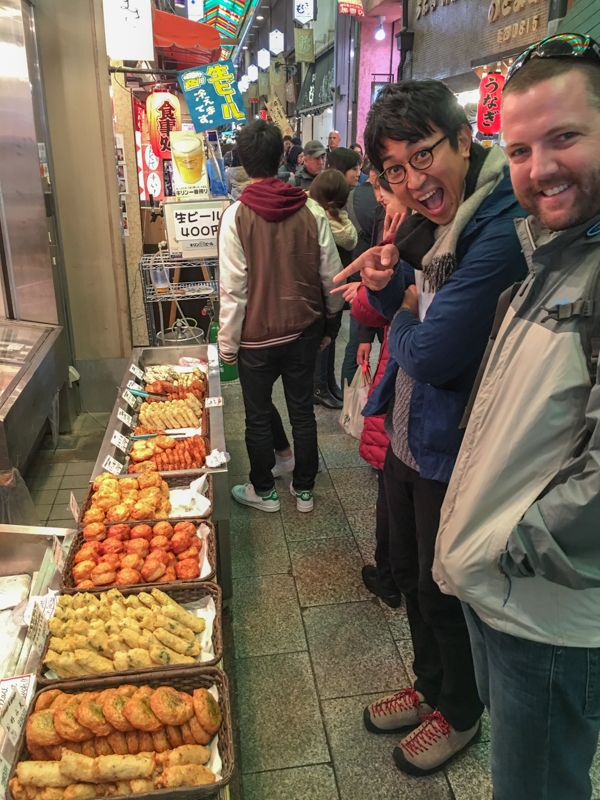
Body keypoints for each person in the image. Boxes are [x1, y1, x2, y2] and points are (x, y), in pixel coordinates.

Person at [331, 78, 527, 775]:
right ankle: (431, 687)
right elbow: (408, 321)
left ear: (464, 140)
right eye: (394, 169)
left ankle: (462, 713)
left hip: (459, 449)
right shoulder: (439, 226)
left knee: (445, 589)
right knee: (412, 577)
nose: (414, 179)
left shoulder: (496, 229)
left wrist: (402, 304)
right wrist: (398, 293)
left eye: (423, 155)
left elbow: (438, 357)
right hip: (415, 437)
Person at [432, 35, 600, 800]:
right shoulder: (549, 258)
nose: (541, 169)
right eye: (523, 150)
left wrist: (511, 545)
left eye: (565, 137)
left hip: (549, 614)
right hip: (499, 590)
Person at [218, 120, 344, 513]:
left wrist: (227, 346)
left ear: (243, 159)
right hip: (304, 330)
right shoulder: (310, 208)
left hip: (255, 338)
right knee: (302, 410)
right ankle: (304, 490)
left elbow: (234, 290)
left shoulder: (235, 217)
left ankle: (264, 491)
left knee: (257, 416)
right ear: (282, 157)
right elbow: (331, 275)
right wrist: (331, 322)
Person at [309, 170, 358, 409]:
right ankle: (320, 386)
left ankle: (326, 383)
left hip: (323, 288)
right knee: (325, 338)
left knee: (328, 337)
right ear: (345, 200)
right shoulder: (343, 225)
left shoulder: (314, 219)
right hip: (332, 288)